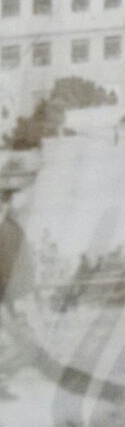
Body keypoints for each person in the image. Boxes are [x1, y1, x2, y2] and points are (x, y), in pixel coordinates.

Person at [0, 152, 42, 396]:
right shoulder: (7, 228)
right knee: (24, 343)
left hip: (8, 295)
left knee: (23, 343)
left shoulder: (10, 226)